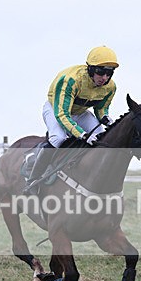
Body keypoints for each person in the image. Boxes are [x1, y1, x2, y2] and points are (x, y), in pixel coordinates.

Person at [24, 45, 118, 193]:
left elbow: (101, 109)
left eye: (109, 73)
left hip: (80, 112)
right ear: (91, 69)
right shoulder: (71, 80)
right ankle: (33, 179)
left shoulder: (110, 87)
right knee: (58, 138)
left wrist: (106, 118)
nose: (104, 78)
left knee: (101, 137)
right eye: (101, 72)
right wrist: (82, 134)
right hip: (56, 109)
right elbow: (62, 114)